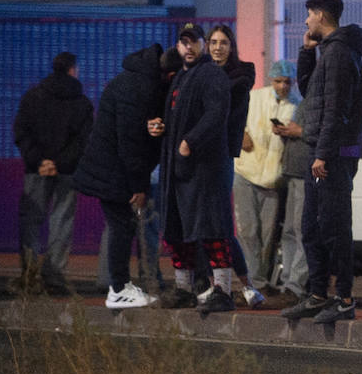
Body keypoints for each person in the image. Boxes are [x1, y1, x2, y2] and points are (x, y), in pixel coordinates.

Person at [280, 0, 362, 324]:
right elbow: (311, 94)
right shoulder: (328, 52)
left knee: (334, 228)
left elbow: (335, 110)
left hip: (332, 155)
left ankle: (344, 299)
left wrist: (323, 154)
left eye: (308, 15)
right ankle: (318, 295)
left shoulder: (340, 54)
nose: (305, 21)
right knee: (311, 228)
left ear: (320, 15)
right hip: (324, 152)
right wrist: (306, 51)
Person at [74, 44, 167, 309]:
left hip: (111, 170)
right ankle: (118, 288)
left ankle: (120, 285)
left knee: (121, 227)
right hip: (113, 171)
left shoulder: (131, 79)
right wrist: (138, 186)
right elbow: (129, 141)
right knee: (121, 227)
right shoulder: (138, 88)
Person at [155, 23, 234, 311]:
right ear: (177, 46)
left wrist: (191, 140)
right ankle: (183, 289)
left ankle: (223, 291)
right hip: (178, 170)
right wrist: (161, 127)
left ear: (201, 44)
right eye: (183, 42)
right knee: (177, 231)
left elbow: (216, 114)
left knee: (212, 228)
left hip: (203, 169)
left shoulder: (211, 75)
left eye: (193, 42)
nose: (188, 47)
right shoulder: (179, 78)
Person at [12, 51, 93, 296]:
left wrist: (40, 161)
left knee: (31, 221)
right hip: (67, 172)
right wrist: (60, 162)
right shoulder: (82, 103)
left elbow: (21, 132)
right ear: (72, 70)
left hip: (35, 170)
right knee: (62, 221)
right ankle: (54, 276)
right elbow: (83, 141)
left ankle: (29, 274)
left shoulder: (32, 97)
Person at [201, 24, 259, 311]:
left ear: (231, 46)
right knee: (202, 226)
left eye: (223, 42)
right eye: (212, 42)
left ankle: (246, 285)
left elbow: (223, 113)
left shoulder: (239, 76)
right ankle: (215, 285)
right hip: (198, 158)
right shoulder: (200, 74)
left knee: (221, 224)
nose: (217, 47)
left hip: (221, 156)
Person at [233, 59, 298, 296]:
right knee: (248, 230)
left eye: (287, 82)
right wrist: (241, 134)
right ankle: (253, 281)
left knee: (268, 234)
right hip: (246, 171)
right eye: (279, 81)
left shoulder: (296, 106)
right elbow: (234, 117)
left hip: (273, 179)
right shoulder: (255, 98)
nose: (282, 86)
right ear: (271, 80)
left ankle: (261, 279)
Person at [271, 98, 311, 303]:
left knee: (301, 230)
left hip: (308, 172)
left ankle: (296, 285)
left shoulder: (326, 101)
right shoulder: (305, 102)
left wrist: (300, 132)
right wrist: (287, 133)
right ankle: (287, 283)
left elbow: (326, 134)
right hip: (293, 171)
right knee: (289, 231)